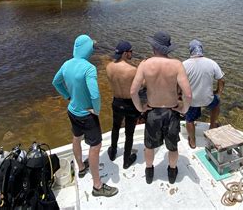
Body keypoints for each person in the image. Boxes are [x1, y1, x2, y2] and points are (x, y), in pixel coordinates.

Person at [52, 34, 118, 198]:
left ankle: (81, 168)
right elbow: (95, 95)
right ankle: (97, 186)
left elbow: (56, 82)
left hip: (72, 110)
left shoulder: (66, 64)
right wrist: (96, 110)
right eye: (92, 47)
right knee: (95, 147)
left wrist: (67, 96)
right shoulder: (89, 68)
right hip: (86, 115)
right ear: (88, 49)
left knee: (76, 138)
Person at [130, 31, 192, 185]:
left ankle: (149, 172)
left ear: (153, 47)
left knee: (149, 146)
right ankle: (171, 173)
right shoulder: (177, 64)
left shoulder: (144, 64)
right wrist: (183, 109)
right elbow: (188, 95)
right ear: (167, 49)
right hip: (171, 112)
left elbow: (133, 91)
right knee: (172, 147)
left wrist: (141, 108)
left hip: (153, 112)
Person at [183, 39, 225, 149]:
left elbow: (178, 83)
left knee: (189, 119)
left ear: (190, 51)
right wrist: (218, 93)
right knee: (216, 104)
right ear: (201, 49)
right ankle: (212, 125)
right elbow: (222, 80)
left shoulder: (184, 64)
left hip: (192, 100)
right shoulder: (212, 63)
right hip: (208, 99)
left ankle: (192, 141)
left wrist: (179, 96)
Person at [105, 41, 140, 169]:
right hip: (129, 104)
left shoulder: (109, 67)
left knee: (115, 127)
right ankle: (126, 160)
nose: (132, 53)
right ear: (125, 53)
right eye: (131, 51)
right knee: (129, 133)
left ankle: (113, 152)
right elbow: (142, 85)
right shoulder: (132, 70)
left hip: (116, 101)